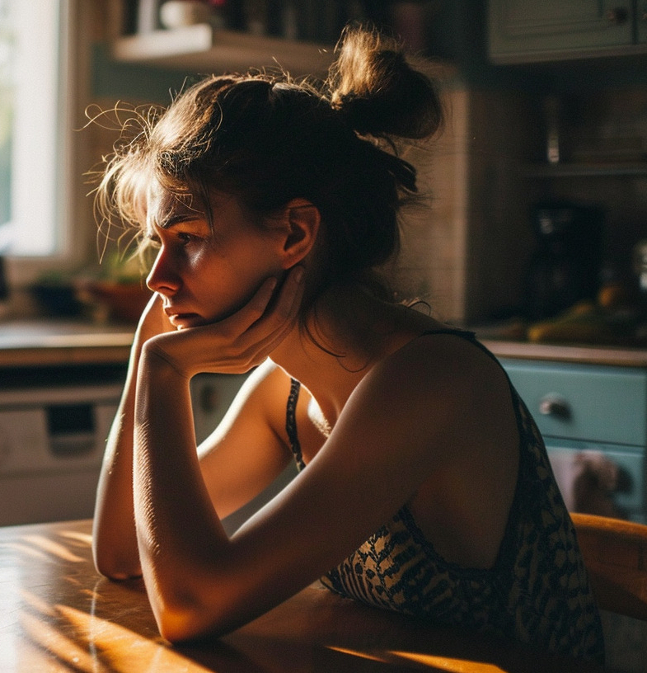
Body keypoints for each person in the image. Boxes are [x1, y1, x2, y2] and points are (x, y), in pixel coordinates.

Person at [90, 27, 605, 663]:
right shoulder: (287, 390)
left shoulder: (430, 381)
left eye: (188, 238)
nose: (155, 278)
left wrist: (165, 376)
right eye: (157, 244)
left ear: (295, 234)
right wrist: (149, 357)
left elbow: (191, 605)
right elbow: (119, 553)